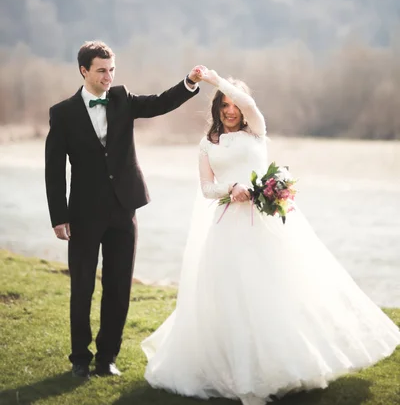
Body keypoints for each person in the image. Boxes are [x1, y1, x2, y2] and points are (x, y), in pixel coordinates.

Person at [142, 69, 400, 405]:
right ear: (217, 109)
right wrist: (229, 188)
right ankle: (238, 373)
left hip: (265, 223)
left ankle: (286, 363)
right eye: (224, 105)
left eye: (235, 104)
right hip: (227, 227)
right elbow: (206, 188)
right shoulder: (207, 145)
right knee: (232, 296)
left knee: (276, 289)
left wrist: (218, 81)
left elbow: (249, 103)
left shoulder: (258, 132)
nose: (231, 110)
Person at [45, 40, 204, 379]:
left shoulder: (122, 99)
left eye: (112, 69)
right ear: (84, 70)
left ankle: (107, 359)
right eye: (101, 70)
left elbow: (160, 103)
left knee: (119, 287)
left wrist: (189, 83)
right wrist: (59, 217)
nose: (108, 76)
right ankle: (79, 360)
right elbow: (54, 168)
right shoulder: (62, 113)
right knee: (82, 288)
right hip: (83, 214)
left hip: (124, 210)